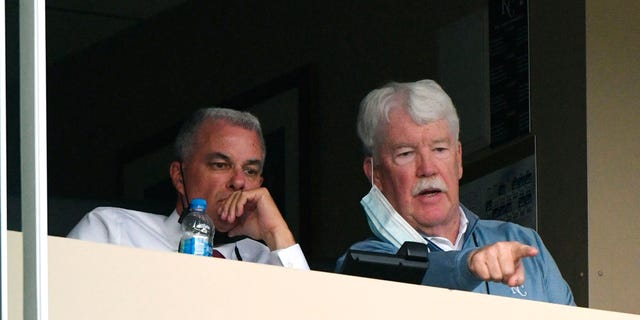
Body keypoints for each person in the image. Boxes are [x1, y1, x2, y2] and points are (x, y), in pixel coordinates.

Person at [335, 80, 574, 305]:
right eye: (405, 154)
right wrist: (468, 265)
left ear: (458, 159)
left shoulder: (524, 242)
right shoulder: (362, 263)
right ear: (376, 174)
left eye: (439, 149)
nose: (427, 169)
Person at [68, 107, 309, 270]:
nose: (239, 181)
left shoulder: (268, 260)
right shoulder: (114, 232)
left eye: (250, 171)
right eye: (220, 164)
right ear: (179, 177)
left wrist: (277, 234)